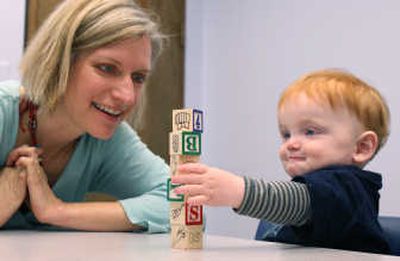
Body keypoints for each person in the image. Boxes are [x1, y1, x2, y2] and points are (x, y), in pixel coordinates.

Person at [172, 69, 393, 254]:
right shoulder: (319, 185)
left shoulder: (350, 189)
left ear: (362, 147)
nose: (291, 143)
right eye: (286, 134)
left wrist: (236, 190)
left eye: (310, 131)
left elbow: (299, 203)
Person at [0, 0, 170, 232]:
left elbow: (185, 202)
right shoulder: (4, 110)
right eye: (107, 68)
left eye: (138, 77)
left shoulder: (108, 140)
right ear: (60, 62)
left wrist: (56, 210)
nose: (127, 96)